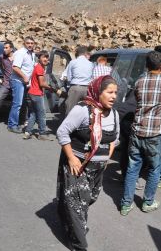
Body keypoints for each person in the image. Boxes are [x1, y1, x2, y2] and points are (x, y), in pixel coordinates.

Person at [56, 75, 119, 251]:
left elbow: (114, 139)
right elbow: (62, 132)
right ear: (98, 92)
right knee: (77, 204)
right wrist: (71, 158)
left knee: (89, 199)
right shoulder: (83, 110)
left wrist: (106, 158)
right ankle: (78, 243)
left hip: (98, 169)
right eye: (109, 92)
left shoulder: (114, 113)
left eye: (115, 93)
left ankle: (73, 226)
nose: (114, 96)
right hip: (78, 166)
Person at [120, 51, 161, 216]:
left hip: (137, 130)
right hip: (155, 133)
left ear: (146, 66)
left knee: (133, 167)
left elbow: (137, 99)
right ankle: (147, 202)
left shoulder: (139, 81)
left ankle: (126, 204)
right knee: (154, 168)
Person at [23, 50, 55, 141]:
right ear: (39, 58)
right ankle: (42, 133)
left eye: (47, 57)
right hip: (37, 94)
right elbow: (42, 84)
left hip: (31, 93)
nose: (46, 59)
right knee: (42, 114)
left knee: (33, 113)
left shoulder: (38, 67)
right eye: (44, 57)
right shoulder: (40, 68)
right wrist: (52, 88)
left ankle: (28, 132)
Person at [7, 37, 36, 133]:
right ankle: (12, 125)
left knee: (22, 104)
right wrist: (24, 77)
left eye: (32, 43)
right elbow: (15, 67)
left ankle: (17, 123)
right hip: (18, 81)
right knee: (17, 103)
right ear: (24, 43)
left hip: (25, 83)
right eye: (28, 43)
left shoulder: (32, 54)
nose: (30, 45)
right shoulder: (21, 53)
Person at [64, 46, 94, 117]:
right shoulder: (91, 64)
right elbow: (92, 77)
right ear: (85, 53)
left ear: (78, 54)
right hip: (87, 89)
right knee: (86, 110)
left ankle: (69, 126)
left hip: (75, 88)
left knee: (70, 110)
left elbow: (69, 78)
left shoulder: (72, 62)